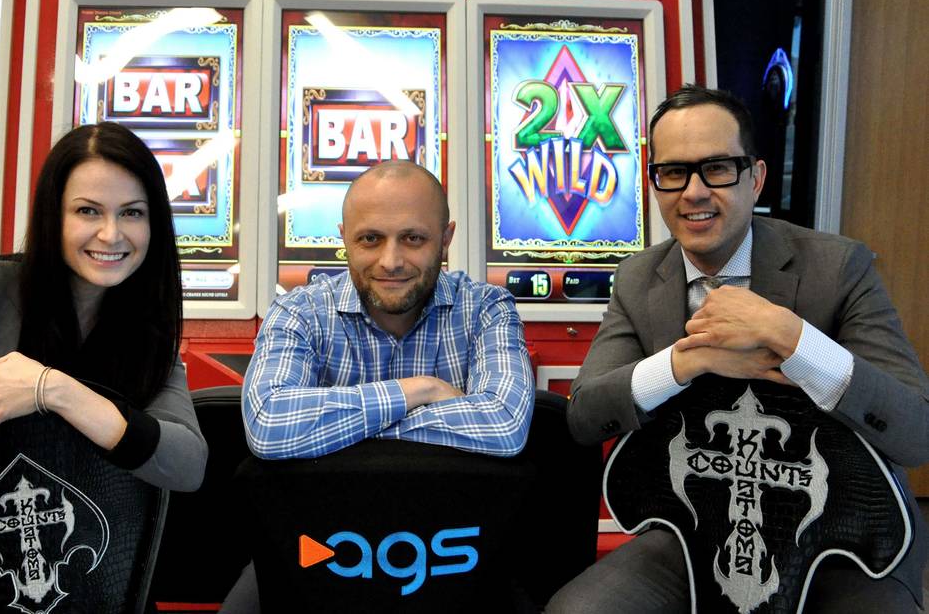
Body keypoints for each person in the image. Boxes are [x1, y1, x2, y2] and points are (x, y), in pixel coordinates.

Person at [547, 85, 928, 613]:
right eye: (673, 172)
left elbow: (915, 432)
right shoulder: (638, 278)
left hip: (838, 534)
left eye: (718, 168)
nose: (694, 192)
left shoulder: (838, 268)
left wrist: (790, 336)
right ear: (654, 183)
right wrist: (689, 360)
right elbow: (586, 417)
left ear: (757, 178)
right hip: (694, 528)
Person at [0, 122, 208, 598]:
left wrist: (54, 389)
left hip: (86, 593)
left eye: (132, 212)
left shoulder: (150, 343)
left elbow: (186, 466)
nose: (111, 233)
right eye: (88, 210)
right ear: (54, 215)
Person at [221, 159, 535, 612]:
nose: (391, 261)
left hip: (455, 546)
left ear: (445, 238)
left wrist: (334, 430)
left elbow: (504, 425)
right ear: (344, 239)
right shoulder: (299, 312)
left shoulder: (487, 307)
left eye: (413, 238)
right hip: (315, 546)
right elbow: (269, 426)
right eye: (370, 239)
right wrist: (421, 390)